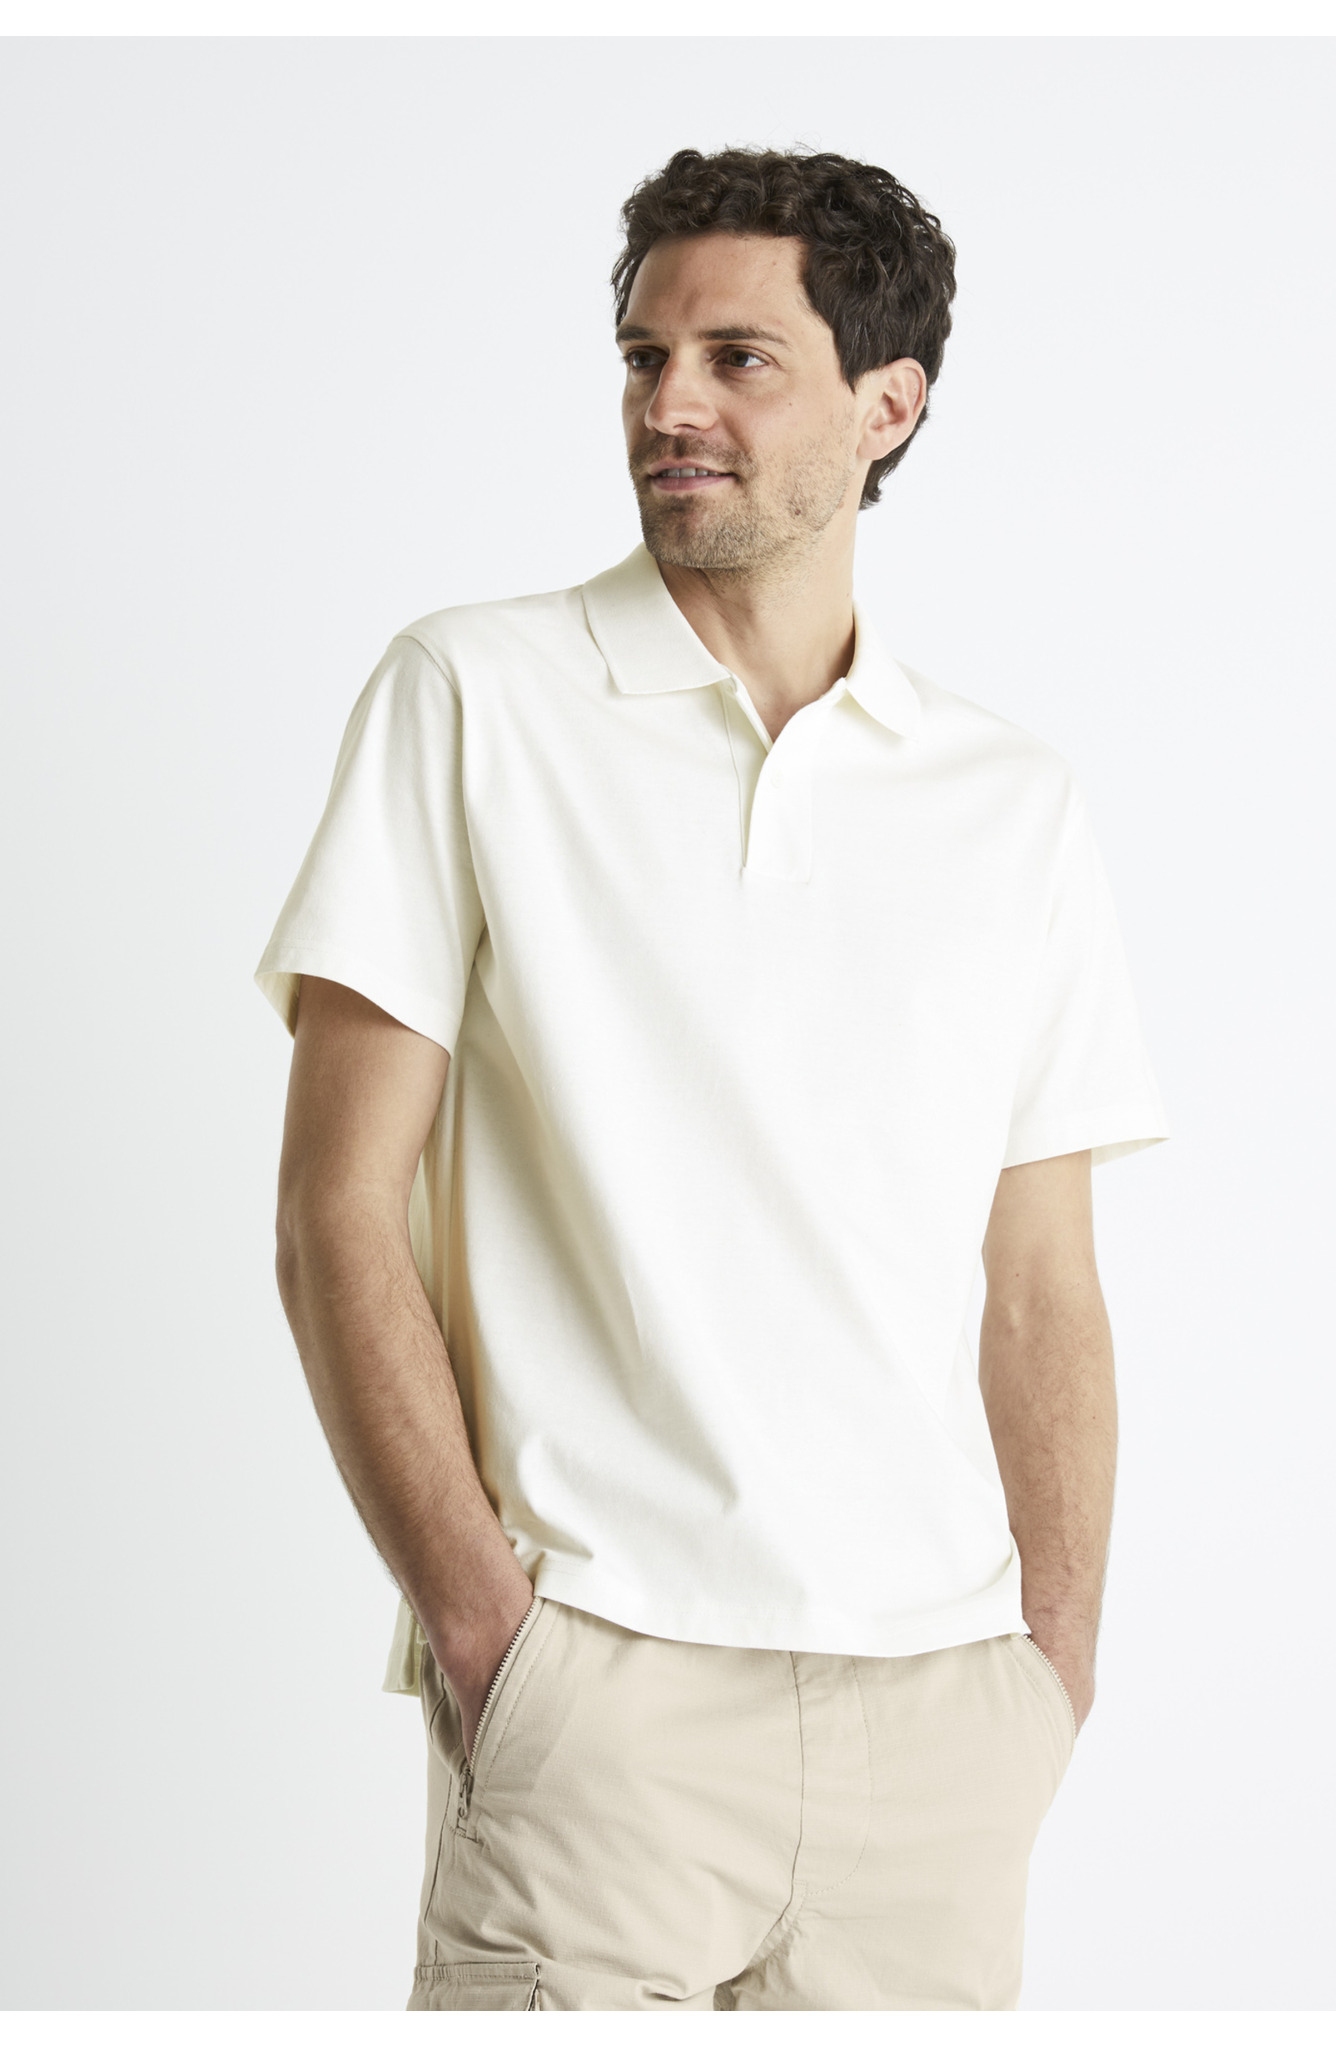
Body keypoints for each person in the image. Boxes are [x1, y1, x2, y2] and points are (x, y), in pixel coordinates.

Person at [257, 145, 1168, 2014]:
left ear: (888, 404)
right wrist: (485, 1628)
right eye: (642, 357)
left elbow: (1042, 1285)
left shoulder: (1009, 800)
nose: (667, 405)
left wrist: (1051, 1663)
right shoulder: (473, 696)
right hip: (601, 1699)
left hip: (940, 1726)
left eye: (737, 359)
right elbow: (335, 1210)